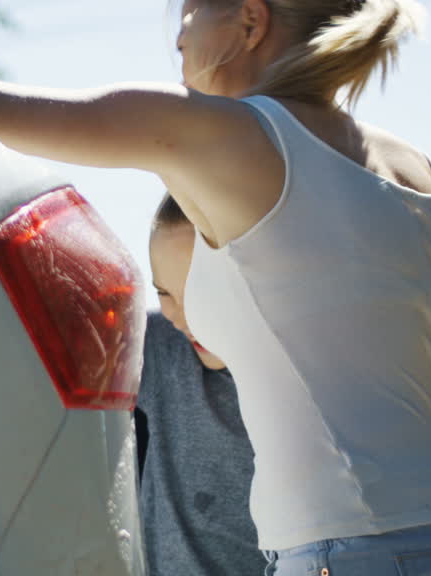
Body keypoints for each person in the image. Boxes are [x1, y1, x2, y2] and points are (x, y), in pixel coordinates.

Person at [0, 0, 431, 576]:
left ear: (249, 21)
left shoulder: (226, 136)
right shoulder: (423, 179)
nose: (177, 48)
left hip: (351, 556)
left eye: (185, 23)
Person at [135, 193, 261, 576]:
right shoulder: (156, 346)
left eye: (200, 291)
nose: (185, 316)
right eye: (164, 292)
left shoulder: (325, 380)